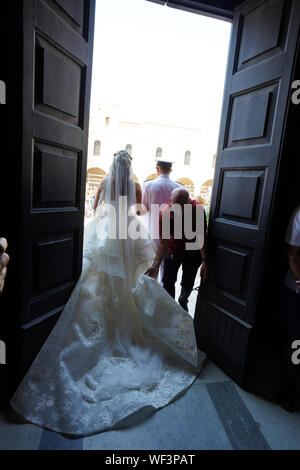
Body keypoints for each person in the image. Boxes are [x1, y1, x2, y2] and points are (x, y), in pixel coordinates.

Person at [9, 150, 205, 437]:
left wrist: (109, 216)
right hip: (128, 232)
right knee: (130, 284)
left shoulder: (105, 181)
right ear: (130, 166)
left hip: (106, 233)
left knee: (96, 283)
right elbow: (139, 210)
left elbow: (97, 205)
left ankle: (101, 326)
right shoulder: (137, 185)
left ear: (114, 164)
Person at [145, 188, 208, 312]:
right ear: (170, 201)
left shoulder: (198, 210)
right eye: (175, 205)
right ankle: (171, 309)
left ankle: (183, 300)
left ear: (189, 202)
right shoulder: (166, 213)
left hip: (193, 250)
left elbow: (202, 236)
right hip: (174, 249)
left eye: (181, 206)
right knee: (168, 281)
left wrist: (205, 260)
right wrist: (155, 265)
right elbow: (164, 242)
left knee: (188, 282)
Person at [142, 159, 181, 280]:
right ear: (171, 170)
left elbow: (143, 208)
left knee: (152, 264)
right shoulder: (180, 187)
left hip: (153, 230)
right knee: (167, 269)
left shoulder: (148, 185)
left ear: (157, 169)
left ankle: (152, 290)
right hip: (173, 233)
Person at [278, 206, 300, 412]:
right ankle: (289, 388)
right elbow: (292, 255)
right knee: (296, 339)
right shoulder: (299, 213)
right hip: (297, 289)